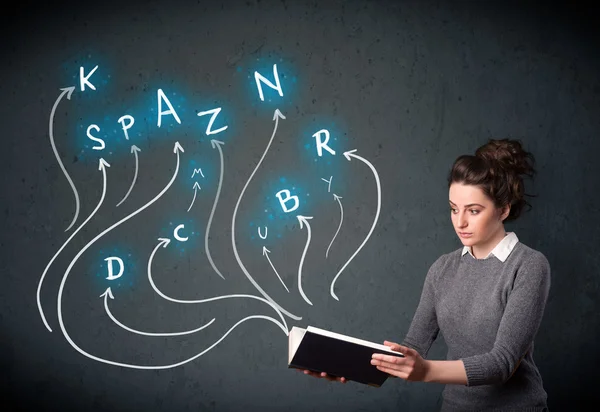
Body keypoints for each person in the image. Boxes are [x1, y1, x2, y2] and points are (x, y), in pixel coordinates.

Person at [303, 138, 551, 411]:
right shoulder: (442, 269)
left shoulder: (528, 266)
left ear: (503, 210)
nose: (460, 222)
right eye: (454, 209)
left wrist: (426, 371)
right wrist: (346, 365)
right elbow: (413, 350)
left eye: (474, 211)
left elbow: (502, 363)